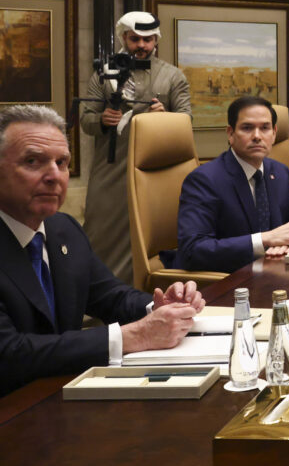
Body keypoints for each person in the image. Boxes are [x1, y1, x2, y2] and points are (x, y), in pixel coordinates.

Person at [0, 105, 203, 396]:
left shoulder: (62, 228)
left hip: (58, 395)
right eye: (33, 161)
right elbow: (10, 354)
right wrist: (131, 336)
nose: (54, 175)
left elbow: (109, 296)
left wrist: (158, 306)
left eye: (62, 162)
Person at [79, 11, 191, 284]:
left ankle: (147, 296)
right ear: (124, 38)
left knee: (153, 234)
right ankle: (101, 301)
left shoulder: (173, 76)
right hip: (111, 169)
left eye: (147, 39)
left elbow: (186, 121)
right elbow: (85, 119)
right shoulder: (102, 74)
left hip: (157, 173)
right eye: (135, 39)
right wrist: (103, 120)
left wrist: (166, 116)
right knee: (101, 232)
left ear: (156, 41)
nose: (141, 45)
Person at [174, 96, 289, 273]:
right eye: (247, 128)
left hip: (273, 271)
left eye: (265, 128)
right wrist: (264, 240)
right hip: (229, 280)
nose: (257, 136)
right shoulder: (205, 180)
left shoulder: (279, 172)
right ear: (230, 133)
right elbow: (193, 250)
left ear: (275, 133)